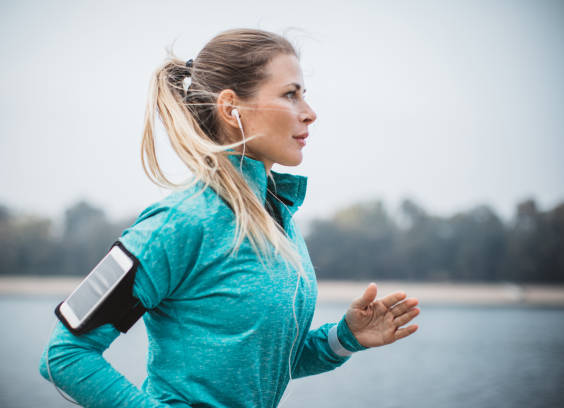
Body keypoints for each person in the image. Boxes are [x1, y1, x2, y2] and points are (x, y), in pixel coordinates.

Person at [39, 28, 420, 407]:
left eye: (305, 94)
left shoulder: (277, 218)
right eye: (290, 94)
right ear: (230, 107)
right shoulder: (179, 222)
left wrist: (345, 337)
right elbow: (65, 355)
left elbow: (264, 362)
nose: (309, 113)